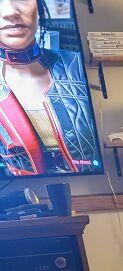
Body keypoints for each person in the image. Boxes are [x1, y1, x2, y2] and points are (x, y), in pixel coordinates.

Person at [0, 0, 99, 175]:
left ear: (39, 6)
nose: (10, 12)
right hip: (26, 196)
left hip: (95, 189)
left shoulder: (80, 66)